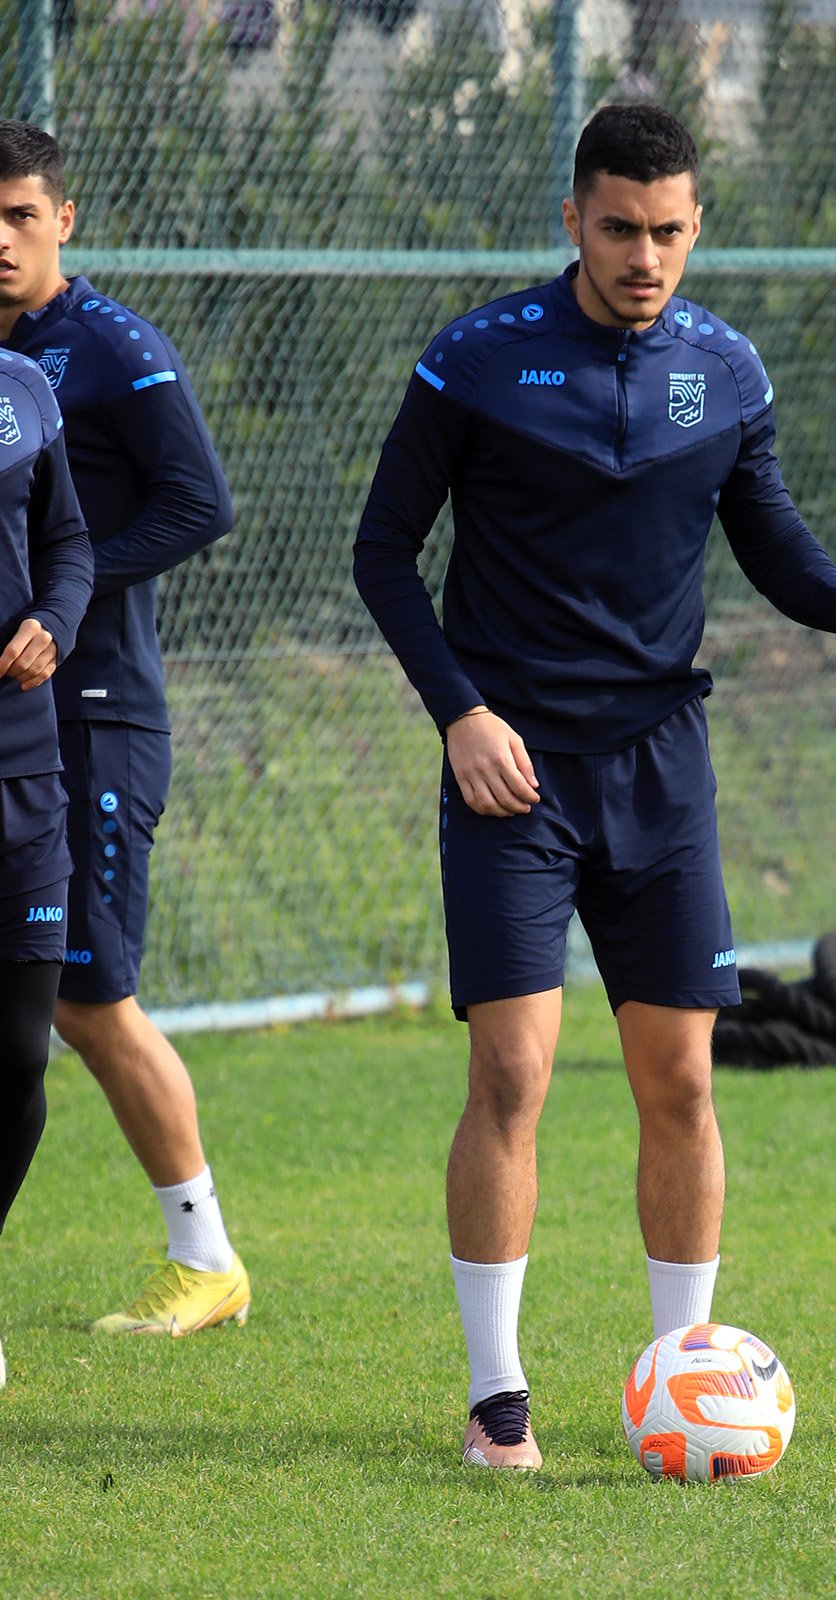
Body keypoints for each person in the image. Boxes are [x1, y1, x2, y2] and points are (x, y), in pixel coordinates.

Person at [354, 103, 836, 1470]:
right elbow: (382, 552)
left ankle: (686, 1372)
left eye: (668, 231)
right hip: (512, 772)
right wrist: (460, 714)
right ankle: (497, 1396)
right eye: (618, 228)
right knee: (512, 1072)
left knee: (681, 1081)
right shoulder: (478, 360)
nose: (644, 257)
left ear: (696, 226)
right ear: (574, 221)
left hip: (661, 770)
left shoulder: (723, 370)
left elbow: (766, 531)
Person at [0, 121, 250, 1337]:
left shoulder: (108, 346)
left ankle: (205, 1257)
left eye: (20, 217)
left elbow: (200, 502)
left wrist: (62, 597)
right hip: (15, 722)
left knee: (91, 993)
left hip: (94, 713)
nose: (1, 241)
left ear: (64, 221)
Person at [0, 338, 93, 1387]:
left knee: (22, 1056)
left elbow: (68, 540)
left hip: (25, 773)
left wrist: (53, 619)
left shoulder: (22, 389)